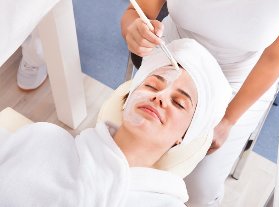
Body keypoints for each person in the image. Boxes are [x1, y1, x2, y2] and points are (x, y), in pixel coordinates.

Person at [121, 1, 279, 206]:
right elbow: (136, 12)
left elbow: (274, 59)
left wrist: (228, 119)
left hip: (240, 79)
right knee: (129, 159)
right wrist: (135, 29)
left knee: (200, 189)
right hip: (174, 54)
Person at [0, 39, 232, 206]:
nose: (159, 97)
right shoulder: (44, 139)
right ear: (127, 100)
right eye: (152, 85)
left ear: (184, 135)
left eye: (179, 103)